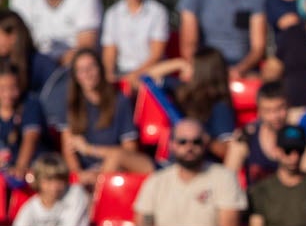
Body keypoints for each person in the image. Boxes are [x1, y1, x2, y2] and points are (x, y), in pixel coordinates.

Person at [134, 118, 246, 226]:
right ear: (172, 144)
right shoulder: (156, 181)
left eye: (196, 142)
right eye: (182, 142)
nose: (189, 147)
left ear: (205, 143)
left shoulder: (224, 178)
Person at [60, 49, 150, 186]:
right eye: (81, 70)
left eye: (91, 67)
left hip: (116, 168)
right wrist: (79, 174)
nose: (87, 74)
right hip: (87, 172)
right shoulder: (72, 106)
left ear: (100, 69)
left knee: (115, 157)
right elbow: (69, 150)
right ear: (76, 76)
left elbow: (129, 150)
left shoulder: (120, 101)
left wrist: (89, 149)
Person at [143, 49, 239, 162]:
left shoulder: (219, 107)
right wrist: (179, 63)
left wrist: (199, 137)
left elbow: (227, 151)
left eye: (191, 65)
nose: (185, 68)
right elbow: (147, 76)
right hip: (174, 163)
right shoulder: (181, 90)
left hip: (201, 165)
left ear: (201, 72)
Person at [100, 0, 169, 89]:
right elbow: (109, 53)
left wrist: (133, 76)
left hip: (151, 74)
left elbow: (156, 55)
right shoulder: (112, 14)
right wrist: (109, 75)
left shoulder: (158, 12)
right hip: (121, 73)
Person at [247, 125, 306, 226]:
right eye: (288, 151)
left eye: (299, 151)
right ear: (277, 151)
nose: (294, 157)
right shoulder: (261, 190)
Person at [226, 82, 304, 186]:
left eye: (279, 108)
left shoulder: (300, 134)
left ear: (288, 106)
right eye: (268, 111)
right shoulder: (246, 137)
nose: (275, 116)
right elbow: (228, 178)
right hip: (257, 200)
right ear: (259, 111)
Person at [10, 153, 89, 226]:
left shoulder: (75, 194)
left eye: (59, 180)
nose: (54, 186)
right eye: (48, 180)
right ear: (38, 181)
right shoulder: (30, 208)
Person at [0, 62, 46, 182]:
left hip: (32, 170)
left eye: (13, 87)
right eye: (3, 89)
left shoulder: (30, 104)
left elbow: (30, 137)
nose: (8, 94)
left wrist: (20, 167)